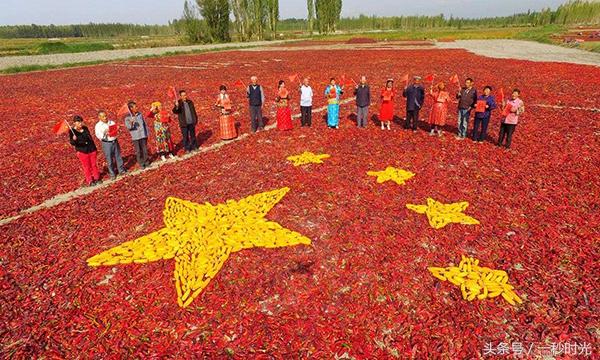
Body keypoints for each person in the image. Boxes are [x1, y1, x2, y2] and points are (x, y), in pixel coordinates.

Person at [70, 115, 101, 186]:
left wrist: (95, 148)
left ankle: (97, 178)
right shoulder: (72, 131)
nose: (80, 124)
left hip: (91, 149)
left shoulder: (85, 128)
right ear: (74, 123)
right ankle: (90, 180)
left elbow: (89, 138)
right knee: (86, 166)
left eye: (81, 122)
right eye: (78, 122)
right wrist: (74, 139)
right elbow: (72, 143)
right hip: (82, 151)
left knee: (94, 165)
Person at [94, 110, 126, 180]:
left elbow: (116, 132)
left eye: (105, 116)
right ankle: (112, 174)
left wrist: (118, 129)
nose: (105, 118)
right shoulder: (98, 126)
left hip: (114, 140)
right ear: (99, 117)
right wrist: (105, 133)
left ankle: (121, 170)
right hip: (106, 143)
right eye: (103, 116)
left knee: (118, 156)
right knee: (109, 159)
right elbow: (99, 136)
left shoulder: (111, 122)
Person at [124, 101, 151, 169]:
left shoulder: (140, 114)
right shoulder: (127, 118)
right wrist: (132, 123)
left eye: (136, 106)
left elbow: (144, 124)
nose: (137, 108)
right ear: (131, 108)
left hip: (143, 135)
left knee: (144, 150)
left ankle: (146, 162)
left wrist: (147, 133)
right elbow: (128, 127)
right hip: (136, 137)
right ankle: (141, 164)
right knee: (138, 151)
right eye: (135, 107)